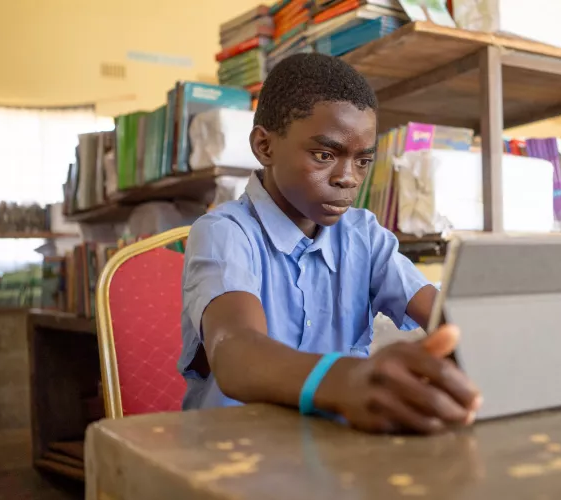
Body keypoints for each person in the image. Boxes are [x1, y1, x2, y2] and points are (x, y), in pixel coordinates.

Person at [178, 53, 481, 434]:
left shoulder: (364, 235)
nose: (348, 178)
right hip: (237, 448)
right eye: (324, 155)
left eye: (362, 161)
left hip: (331, 447)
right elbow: (235, 352)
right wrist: (345, 380)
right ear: (264, 146)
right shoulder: (224, 233)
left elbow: (446, 316)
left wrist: (468, 340)